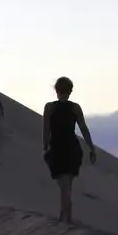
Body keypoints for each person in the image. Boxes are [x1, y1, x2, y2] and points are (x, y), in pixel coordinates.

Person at [42, 77, 96, 223]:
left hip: (58, 148)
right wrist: (91, 148)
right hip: (71, 148)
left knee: (64, 185)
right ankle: (64, 216)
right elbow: (84, 129)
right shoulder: (75, 107)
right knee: (67, 185)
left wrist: (45, 147)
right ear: (70, 91)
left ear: (56, 90)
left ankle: (67, 220)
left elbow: (46, 129)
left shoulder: (49, 107)